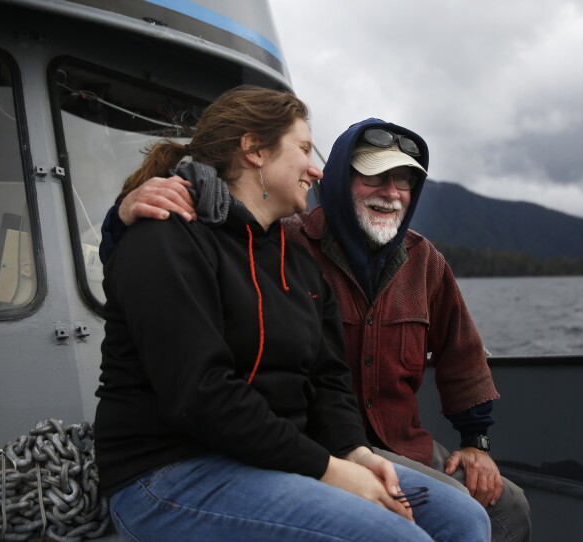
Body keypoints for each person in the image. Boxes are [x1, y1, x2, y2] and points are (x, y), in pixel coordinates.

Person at [101, 117, 531, 541]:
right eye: (375, 178)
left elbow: (461, 355)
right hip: (308, 441)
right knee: (440, 509)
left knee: (502, 509)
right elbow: (161, 261)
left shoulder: (425, 262)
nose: (392, 193)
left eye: (403, 182)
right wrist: (120, 221)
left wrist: (476, 441)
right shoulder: (283, 239)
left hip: (397, 440)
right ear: (343, 181)